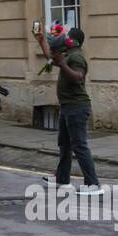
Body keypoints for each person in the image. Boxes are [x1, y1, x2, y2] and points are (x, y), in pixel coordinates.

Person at [35, 23, 102, 196]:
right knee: (64, 145)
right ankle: (62, 180)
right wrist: (41, 40)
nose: (66, 39)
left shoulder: (77, 57)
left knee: (79, 146)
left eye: (69, 37)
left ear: (76, 42)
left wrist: (63, 64)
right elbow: (50, 56)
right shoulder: (68, 54)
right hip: (67, 107)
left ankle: (93, 184)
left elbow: (78, 78)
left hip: (77, 108)